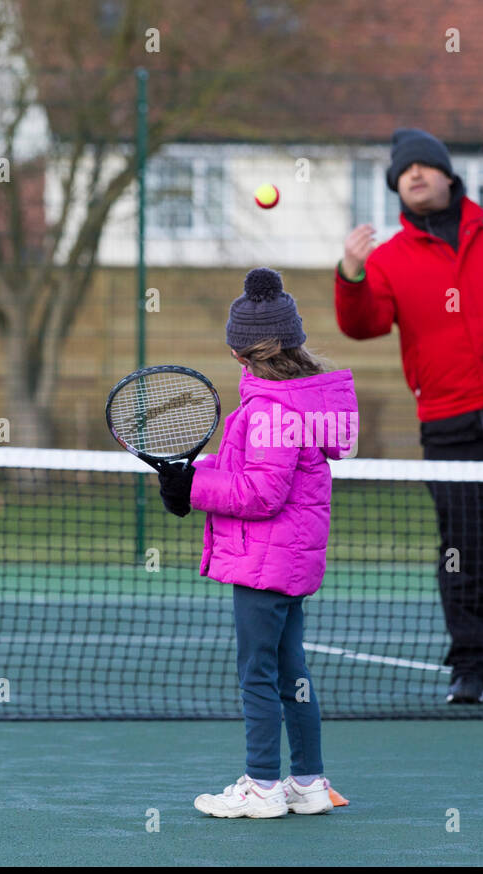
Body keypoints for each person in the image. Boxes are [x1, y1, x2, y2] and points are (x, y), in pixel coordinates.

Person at [334, 128, 483, 704]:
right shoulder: (388, 259)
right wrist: (351, 273)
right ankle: (472, 669)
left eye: (423, 166)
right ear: (397, 188)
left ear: (447, 174)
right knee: (463, 554)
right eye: (403, 172)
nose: (414, 176)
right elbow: (362, 325)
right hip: (449, 429)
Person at [156, 267, 359, 817]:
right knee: (290, 670)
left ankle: (264, 786)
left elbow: (261, 492)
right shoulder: (293, 402)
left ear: (239, 354)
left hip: (264, 565)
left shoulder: (270, 409)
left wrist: (193, 485)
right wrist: (194, 474)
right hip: (287, 561)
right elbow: (255, 470)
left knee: (258, 675)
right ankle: (309, 783)